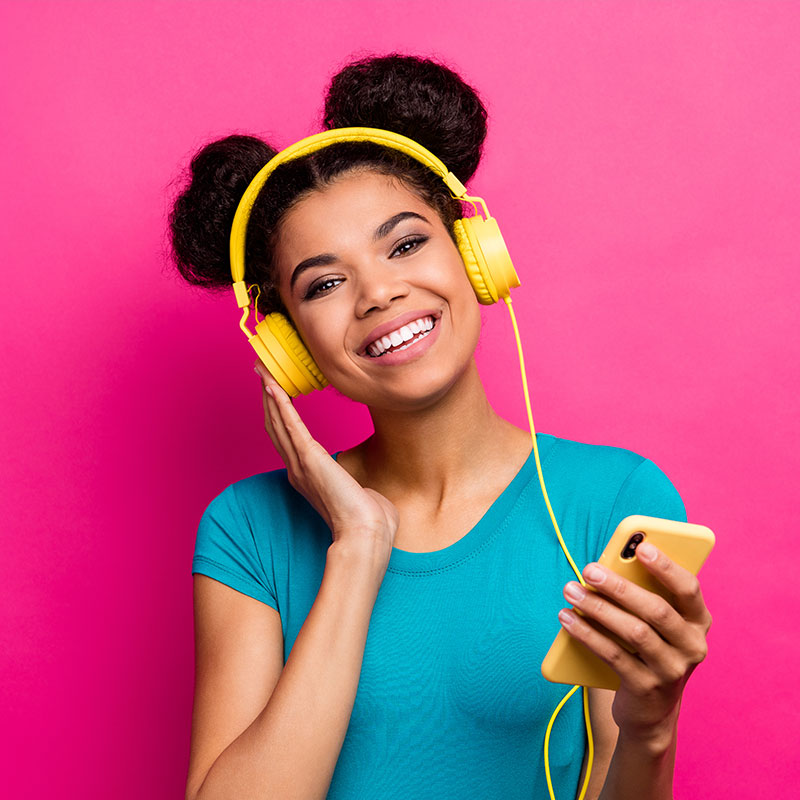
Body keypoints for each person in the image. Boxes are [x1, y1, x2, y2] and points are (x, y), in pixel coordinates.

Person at [170, 54, 712, 800]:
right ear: (291, 344)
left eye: (405, 244)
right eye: (325, 283)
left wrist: (652, 726)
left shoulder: (612, 496)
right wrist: (358, 546)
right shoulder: (248, 529)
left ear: (474, 257)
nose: (379, 292)